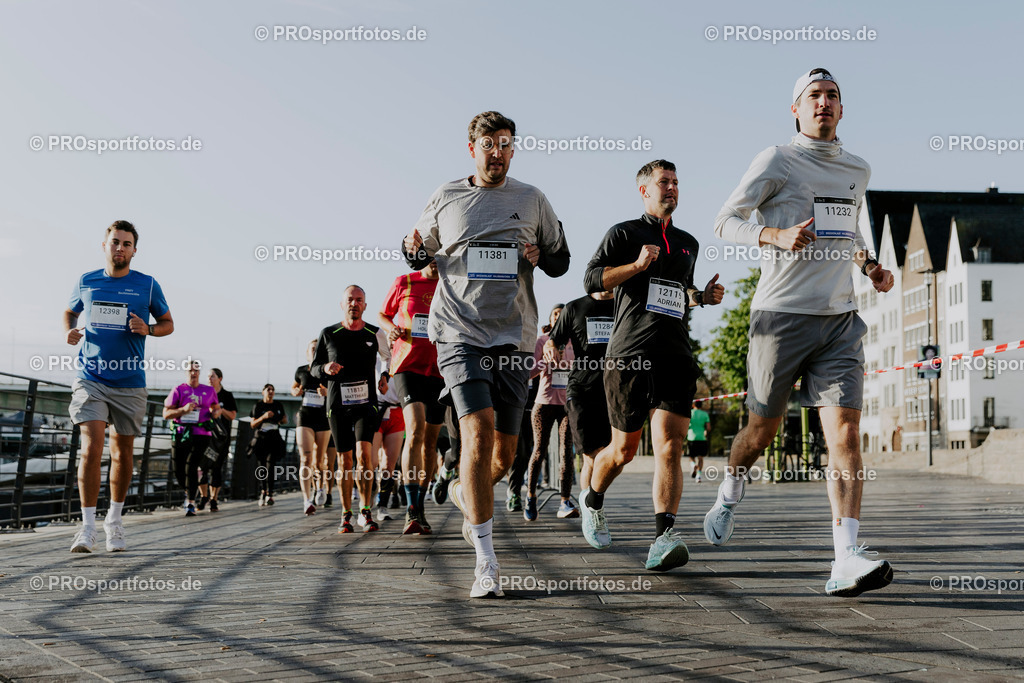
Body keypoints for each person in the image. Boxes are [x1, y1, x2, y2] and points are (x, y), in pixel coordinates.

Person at [705, 68, 896, 597]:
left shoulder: (858, 168)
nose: (824, 103)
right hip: (780, 318)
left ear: (842, 109)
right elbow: (725, 220)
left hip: (838, 320)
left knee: (846, 435)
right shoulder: (777, 160)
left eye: (833, 95)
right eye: (814, 95)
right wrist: (773, 233)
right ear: (795, 108)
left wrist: (871, 265)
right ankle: (730, 488)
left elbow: (850, 226)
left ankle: (844, 559)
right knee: (759, 434)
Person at [403, 110, 570, 597]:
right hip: (458, 332)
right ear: (471, 149)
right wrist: (412, 248)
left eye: (506, 143)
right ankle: (487, 563)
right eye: (489, 144)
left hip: (515, 338)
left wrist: (544, 257)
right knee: (474, 433)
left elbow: (562, 260)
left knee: (503, 456)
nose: (497, 152)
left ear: (512, 149)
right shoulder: (447, 196)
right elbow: (417, 252)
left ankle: (460, 492)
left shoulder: (532, 199)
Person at [580, 159, 724, 572]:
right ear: (644, 190)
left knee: (670, 446)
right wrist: (636, 267)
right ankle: (593, 500)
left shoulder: (688, 242)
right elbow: (591, 280)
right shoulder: (624, 233)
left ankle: (664, 536)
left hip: (676, 354)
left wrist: (703, 297)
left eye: (677, 182)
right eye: (664, 182)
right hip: (628, 354)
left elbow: (681, 294)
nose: (672, 188)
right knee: (623, 451)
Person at [64, 220, 173, 553]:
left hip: (129, 381)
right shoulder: (87, 280)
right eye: (115, 242)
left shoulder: (148, 285)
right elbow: (70, 311)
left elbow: (168, 324)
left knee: (122, 454)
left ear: (134, 251)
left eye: (126, 244)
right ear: (104, 245)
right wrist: (69, 330)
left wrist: (148, 329)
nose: (120, 248)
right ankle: (86, 528)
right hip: (91, 377)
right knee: (90, 448)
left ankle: (114, 520)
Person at [310, 285, 389, 533]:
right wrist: (325, 369)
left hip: (366, 403)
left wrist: (384, 375)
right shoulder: (328, 333)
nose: (354, 303)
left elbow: (388, 356)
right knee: (345, 461)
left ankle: (365, 511)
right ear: (342, 304)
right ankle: (346, 514)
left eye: (359, 300)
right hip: (337, 405)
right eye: (350, 300)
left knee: (365, 457)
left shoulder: (374, 333)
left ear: (365, 305)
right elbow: (314, 367)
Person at [378, 260, 445, 534]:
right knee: (415, 430)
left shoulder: (450, 284)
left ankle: (420, 503)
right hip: (408, 365)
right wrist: (390, 328)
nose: (435, 261)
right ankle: (411, 509)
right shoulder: (404, 282)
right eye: (430, 255)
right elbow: (384, 314)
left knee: (430, 442)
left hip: (441, 369)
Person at [546, 289, 615, 506]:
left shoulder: (623, 304)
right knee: (591, 457)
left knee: (614, 457)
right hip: (581, 390)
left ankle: (593, 503)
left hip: (613, 390)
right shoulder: (574, 307)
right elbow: (553, 339)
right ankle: (591, 511)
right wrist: (550, 348)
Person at [525, 304, 576, 520]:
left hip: (567, 405)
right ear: (551, 318)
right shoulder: (542, 341)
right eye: (556, 313)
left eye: (563, 314)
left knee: (567, 453)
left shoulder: (576, 341)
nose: (559, 316)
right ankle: (530, 496)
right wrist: (543, 363)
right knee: (539, 451)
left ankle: (564, 501)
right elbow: (529, 372)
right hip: (544, 404)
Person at [163, 361, 221, 516]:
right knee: (178, 470)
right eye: (190, 370)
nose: (193, 373)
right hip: (181, 433)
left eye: (196, 370)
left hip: (201, 433)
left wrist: (215, 413)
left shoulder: (208, 390)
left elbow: (216, 407)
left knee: (192, 465)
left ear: (199, 373)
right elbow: (166, 413)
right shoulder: (179, 390)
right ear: (186, 372)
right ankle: (189, 492)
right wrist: (183, 409)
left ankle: (190, 502)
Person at [292, 340, 331, 516]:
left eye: (318, 349)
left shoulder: (326, 370)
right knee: (305, 458)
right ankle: (307, 500)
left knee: (319, 460)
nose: (315, 351)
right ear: (307, 352)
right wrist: (296, 391)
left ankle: (320, 487)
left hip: (323, 418)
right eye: (312, 349)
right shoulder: (301, 370)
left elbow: (336, 391)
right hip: (305, 416)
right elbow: (294, 386)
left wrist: (327, 393)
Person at [199, 367, 236, 512]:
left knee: (217, 468)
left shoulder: (227, 395)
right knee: (201, 467)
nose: (209, 379)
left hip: (220, 438)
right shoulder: (203, 393)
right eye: (208, 377)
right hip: (205, 435)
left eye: (212, 376)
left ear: (220, 378)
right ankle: (203, 496)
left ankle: (214, 499)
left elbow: (232, 415)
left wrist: (221, 411)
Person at [250, 384, 287, 506]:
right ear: (263, 392)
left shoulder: (278, 405)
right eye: (268, 390)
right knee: (262, 466)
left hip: (274, 438)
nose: (271, 392)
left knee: (271, 465)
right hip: (261, 438)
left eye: (273, 390)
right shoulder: (258, 405)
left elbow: (284, 419)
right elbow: (253, 424)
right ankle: (263, 491)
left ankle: (270, 493)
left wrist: (283, 420)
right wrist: (263, 417)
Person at [687, 405, 710, 483]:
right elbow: (708, 427)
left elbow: (686, 425)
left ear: (693, 405)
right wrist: (705, 430)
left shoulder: (689, 413)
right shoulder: (705, 414)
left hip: (691, 438)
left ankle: (693, 465)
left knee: (691, 457)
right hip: (702, 438)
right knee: (700, 458)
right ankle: (698, 476)